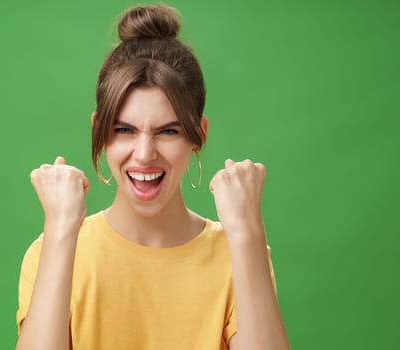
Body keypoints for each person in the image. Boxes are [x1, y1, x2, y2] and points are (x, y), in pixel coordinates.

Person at [15, 4, 289, 350]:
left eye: (169, 131)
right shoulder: (51, 251)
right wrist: (59, 231)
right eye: (124, 129)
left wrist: (248, 232)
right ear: (98, 131)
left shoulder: (240, 253)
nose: (144, 154)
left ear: (198, 136)